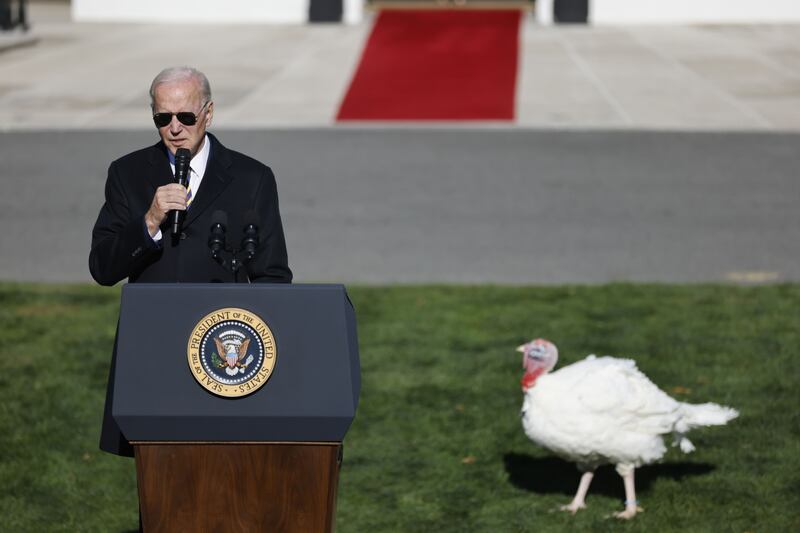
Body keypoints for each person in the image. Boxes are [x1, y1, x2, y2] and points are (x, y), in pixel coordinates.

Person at [90, 66, 292, 456]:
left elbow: (274, 278)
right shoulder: (127, 174)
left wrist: (257, 361)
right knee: (161, 490)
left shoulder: (252, 178)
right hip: (154, 349)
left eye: (186, 116)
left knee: (225, 479)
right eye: (162, 118)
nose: (175, 128)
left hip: (225, 355)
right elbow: (102, 268)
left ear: (208, 113)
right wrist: (148, 221)